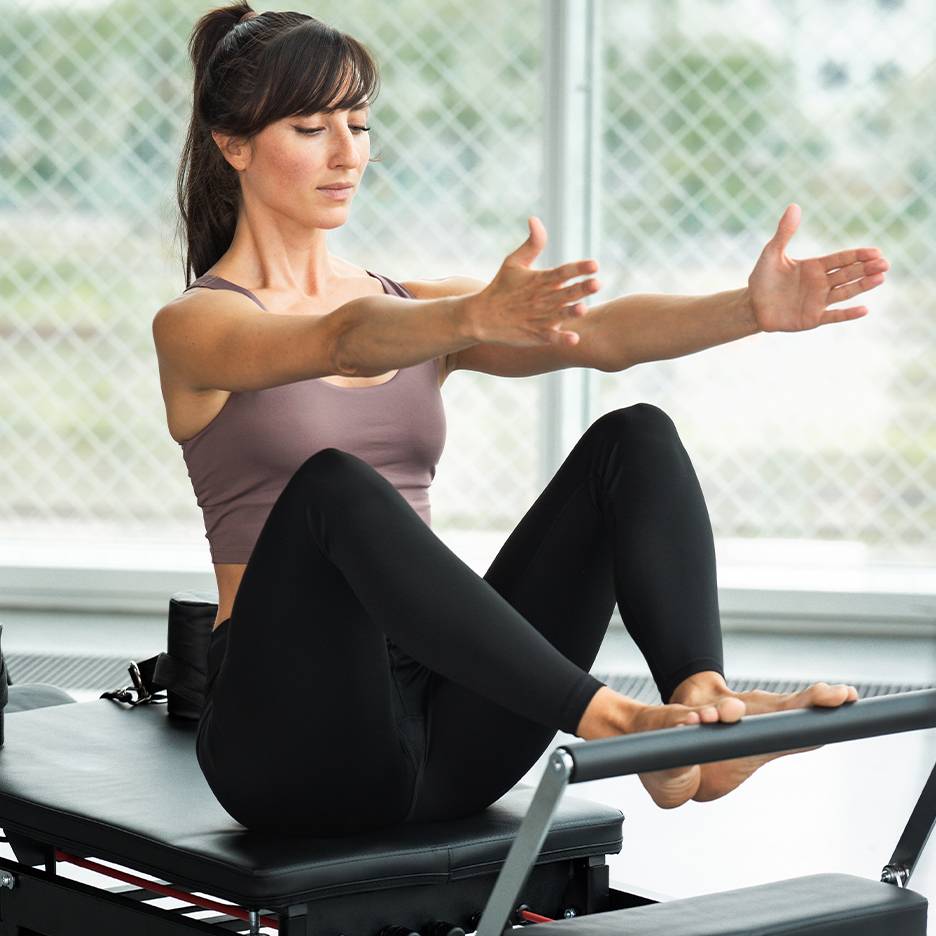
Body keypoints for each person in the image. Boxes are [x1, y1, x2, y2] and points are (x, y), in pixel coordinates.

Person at [152, 1, 887, 835]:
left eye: (358, 124)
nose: (347, 153)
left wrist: (747, 310)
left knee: (634, 437)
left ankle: (699, 708)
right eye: (312, 126)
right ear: (233, 145)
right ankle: (619, 723)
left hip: (452, 735)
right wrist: (466, 319)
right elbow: (341, 341)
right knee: (334, 488)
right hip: (287, 743)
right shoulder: (197, 326)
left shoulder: (409, 306)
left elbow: (600, 335)